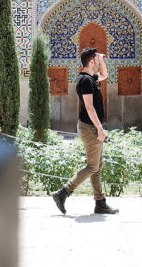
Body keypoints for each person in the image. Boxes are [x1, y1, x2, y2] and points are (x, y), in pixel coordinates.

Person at [51, 47, 119, 215]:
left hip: (91, 127)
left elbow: (104, 75)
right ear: (90, 61)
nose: (98, 62)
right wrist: (99, 128)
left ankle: (100, 203)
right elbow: (89, 107)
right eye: (96, 60)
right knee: (92, 166)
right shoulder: (85, 81)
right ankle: (63, 192)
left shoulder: (91, 78)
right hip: (90, 128)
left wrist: (101, 60)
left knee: (97, 166)